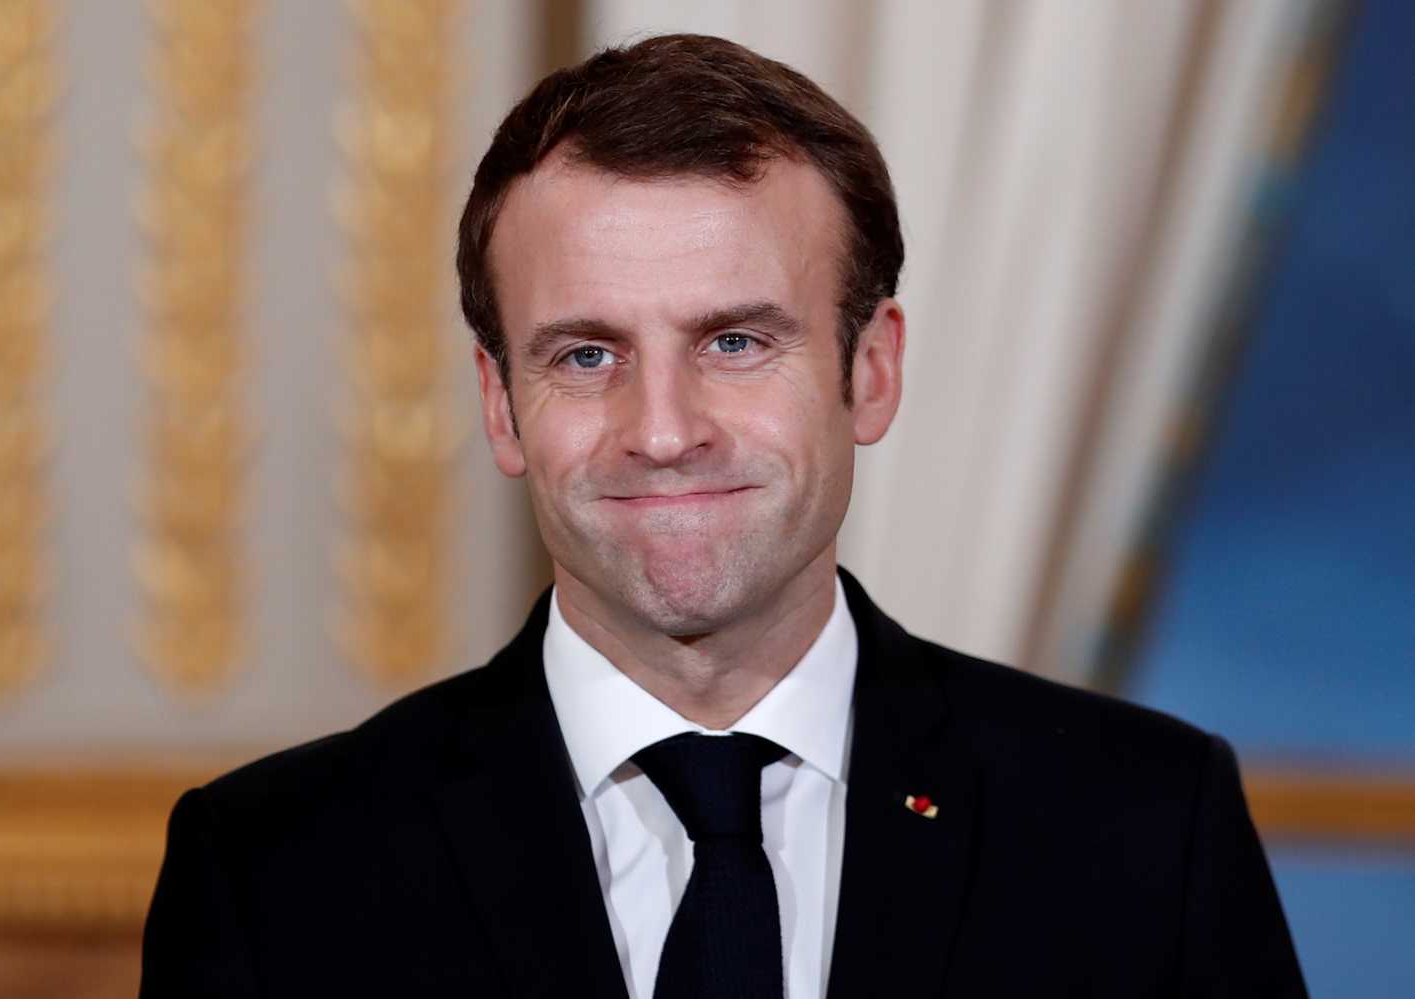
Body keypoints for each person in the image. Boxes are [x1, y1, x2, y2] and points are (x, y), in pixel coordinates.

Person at [141, 33, 1306, 998]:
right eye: (586, 354)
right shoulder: (274, 869)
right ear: (500, 405)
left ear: (870, 372)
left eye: (734, 342)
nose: (661, 429)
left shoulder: (1146, 830)